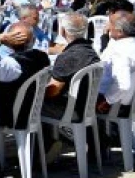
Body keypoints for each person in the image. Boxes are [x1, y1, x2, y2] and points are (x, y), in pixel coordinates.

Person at [41, 12, 99, 155]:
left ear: (63, 31)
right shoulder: (91, 52)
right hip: (87, 106)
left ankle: (43, 151)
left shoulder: (68, 56)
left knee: (31, 105)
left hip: (71, 110)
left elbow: (53, 91)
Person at [0, 22, 51, 128]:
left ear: (7, 41)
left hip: (7, 116)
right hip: (30, 110)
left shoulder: (13, 65)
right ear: (33, 41)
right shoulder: (41, 57)